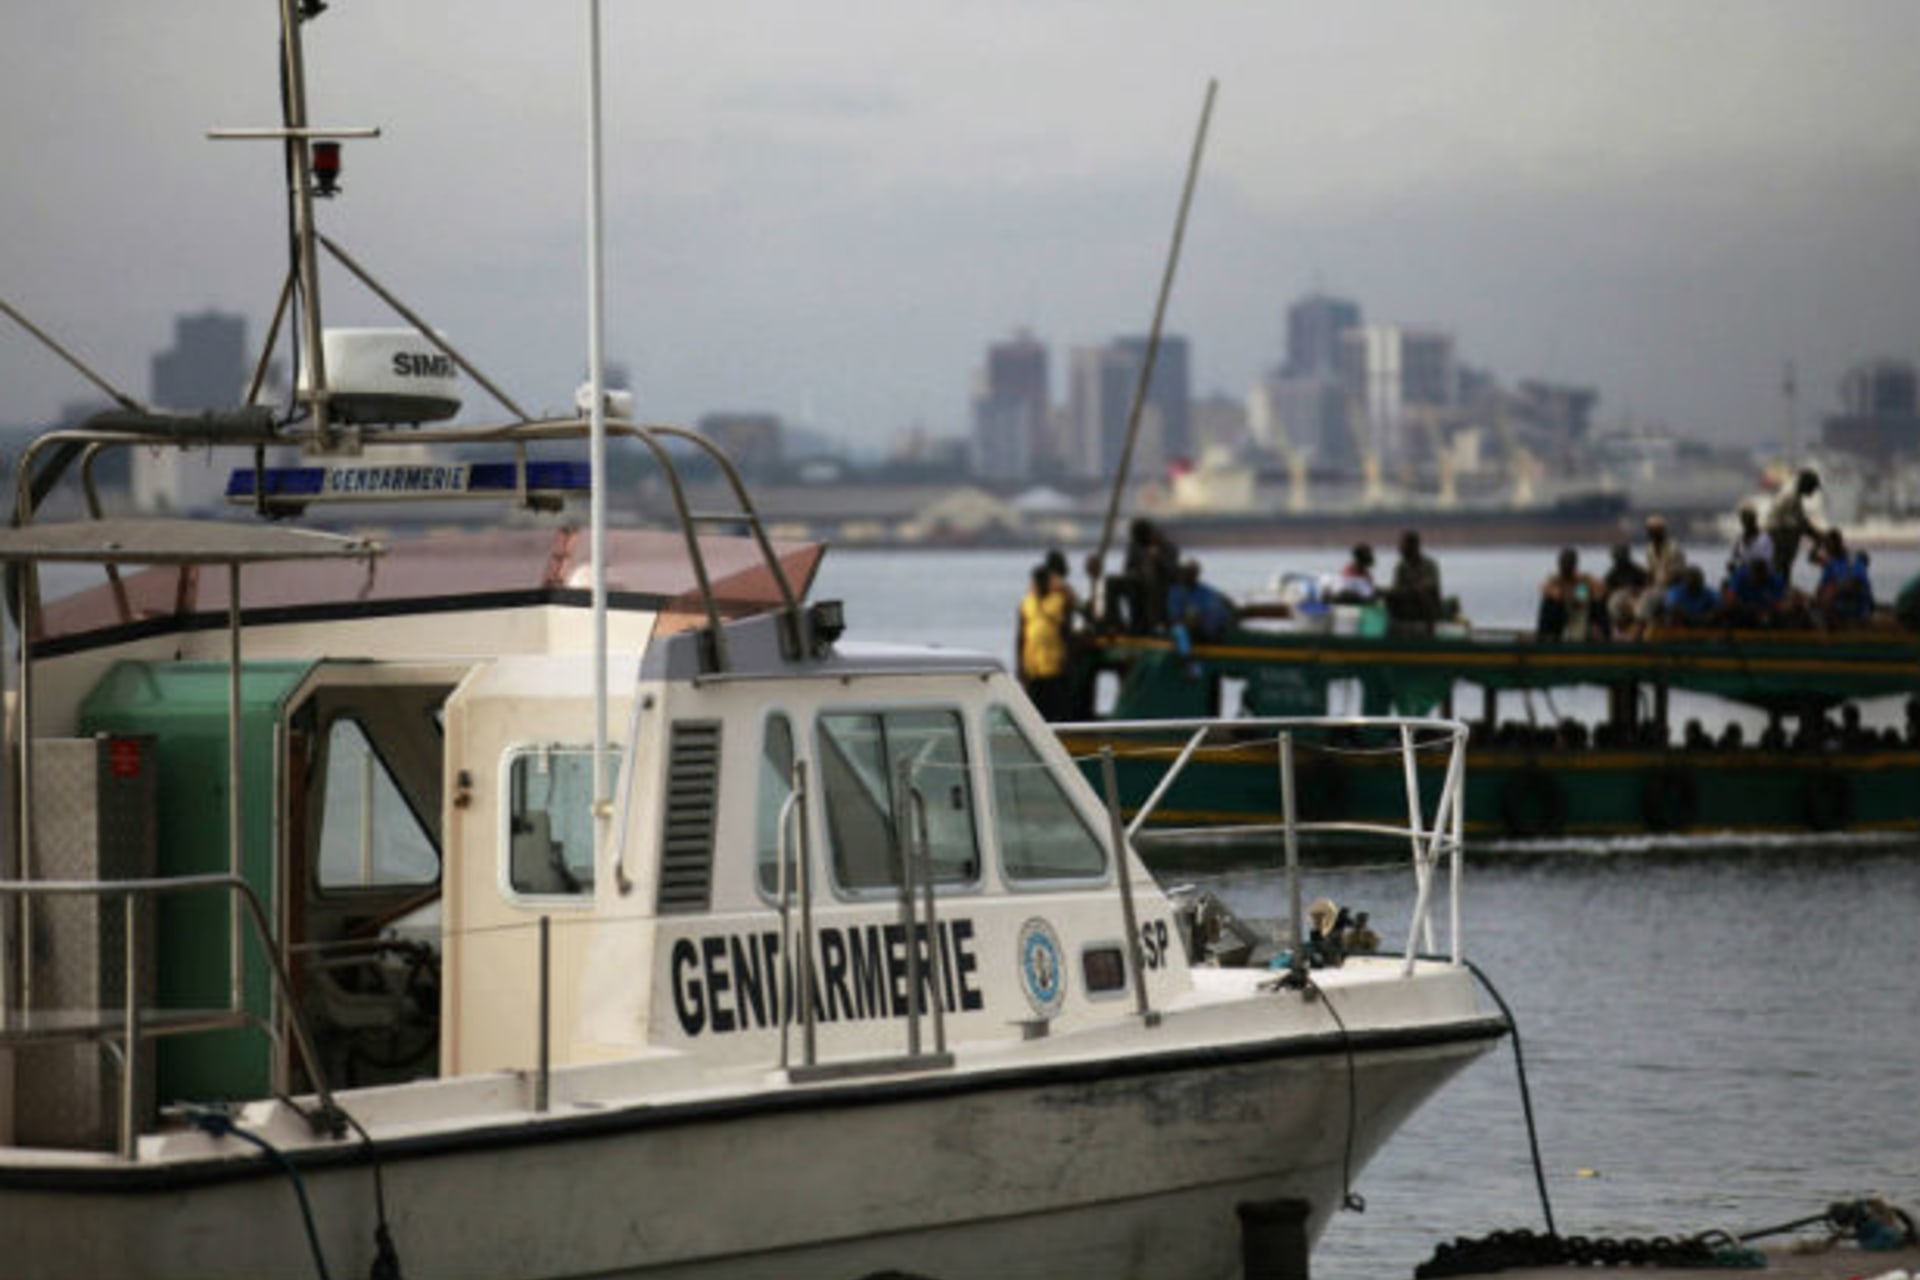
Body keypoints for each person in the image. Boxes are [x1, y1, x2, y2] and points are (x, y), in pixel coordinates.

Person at [1016, 563, 1071, 719]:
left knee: (1055, 707)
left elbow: (1067, 635)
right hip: (1032, 666)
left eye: (1042, 580)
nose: (1039, 584)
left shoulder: (1060, 602)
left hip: (1054, 666)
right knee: (1033, 709)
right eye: (1037, 580)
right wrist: (1020, 665)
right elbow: (1020, 636)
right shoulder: (1026, 603)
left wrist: (1067, 662)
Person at [1765, 468, 1824, 582]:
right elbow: (1780, 520)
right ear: (1806, 485)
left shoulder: (1795, 494)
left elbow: (1801, 519)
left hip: (1783, 536)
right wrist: (1813, 534)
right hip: (1780, 537)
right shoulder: (1789, 495)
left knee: (1784, 568)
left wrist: (1816, 535)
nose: (1813, 492)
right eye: (1812, 488)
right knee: (1781, 568)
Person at [1537, 547, 1605, 641]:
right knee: (1548, 601)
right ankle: (1545, 636)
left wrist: (1591, 590)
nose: (1566, 565)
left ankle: (1597, 634)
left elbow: (1599, 589)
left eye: (1568, 563)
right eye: (1563, 563)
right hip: (1562, 618)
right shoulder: (1555, 580)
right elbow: (1543, 587)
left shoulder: (1582, 581)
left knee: (1584, 590)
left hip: (1579, 616)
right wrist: (1557, 593)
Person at [1811, 529, 1874, 625]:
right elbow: (1822, 586)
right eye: (1825, 546)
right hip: (1837, 606)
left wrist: (1833, 593)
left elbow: (1856, 582)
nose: (1826, 549)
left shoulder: (1853, 559)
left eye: (1828, 546)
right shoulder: (1831, 563)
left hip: (1856, 607)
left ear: (1837, 544)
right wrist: (1817, 599)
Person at [1383, 530, 1442, 631]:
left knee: (1423, 593)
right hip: (1408, 604)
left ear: (1413, 546)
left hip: (1427, 607)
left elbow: (1430, 585)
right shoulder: (1401, 566)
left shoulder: (1429, 565)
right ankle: (1392, 629)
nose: (1399, 549)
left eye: (1402, 546)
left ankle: (1430, 631)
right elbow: (1397, 588)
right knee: (1389, 597)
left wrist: (1410, 590)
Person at [1636, 515, 1687, 624]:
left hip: (1673, 588)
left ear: (1662, 532)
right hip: (1657, 588)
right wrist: (1645, 587)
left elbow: (1677, 576)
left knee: (1648, 598)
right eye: (1650, 531)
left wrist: (1656, 587)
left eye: (1655, 531)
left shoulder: (1674, 549)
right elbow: (1650, 573)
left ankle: (1642, 629)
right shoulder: (1649, 549)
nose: (1651, 534)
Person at [1720, 555, 1787, 628]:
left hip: (1767, 611)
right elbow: (1730, 598)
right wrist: (1751, 610)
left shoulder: (1776, 580)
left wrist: (1765, 612)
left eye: (1760, 578)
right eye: (1755, 577)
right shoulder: (1741, 575)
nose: (1756, 581)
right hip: (1744, 608)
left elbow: (1780, 605)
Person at [1601, 541, 1650, 639]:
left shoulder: (1637, 571)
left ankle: (1637, 633)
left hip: (1636, 603)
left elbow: (1648, 586)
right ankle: (1617, 632)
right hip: (1619, 608)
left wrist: (1636, 591)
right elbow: (1605, 591)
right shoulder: (1612, 575)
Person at [1725, 501, 1774, 578]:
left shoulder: (1764, 539)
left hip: (1761, 577)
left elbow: (1765, 564)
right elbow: (1733, 560)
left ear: (1754, 519)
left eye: (1748, 518)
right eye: (1743, 518)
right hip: (1744, 577)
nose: (1746, 521)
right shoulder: (1739, 540)